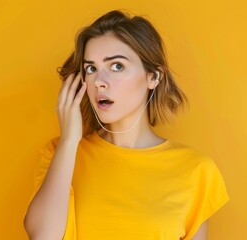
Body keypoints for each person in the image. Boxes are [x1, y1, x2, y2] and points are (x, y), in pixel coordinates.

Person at [23, 10, 229, 240]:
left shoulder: (196, 170)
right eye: (91, 68)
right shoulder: (59, 154)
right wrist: (69, 140)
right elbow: (42, 237)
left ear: (153, 77)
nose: (99, 81)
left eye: (117, 66)